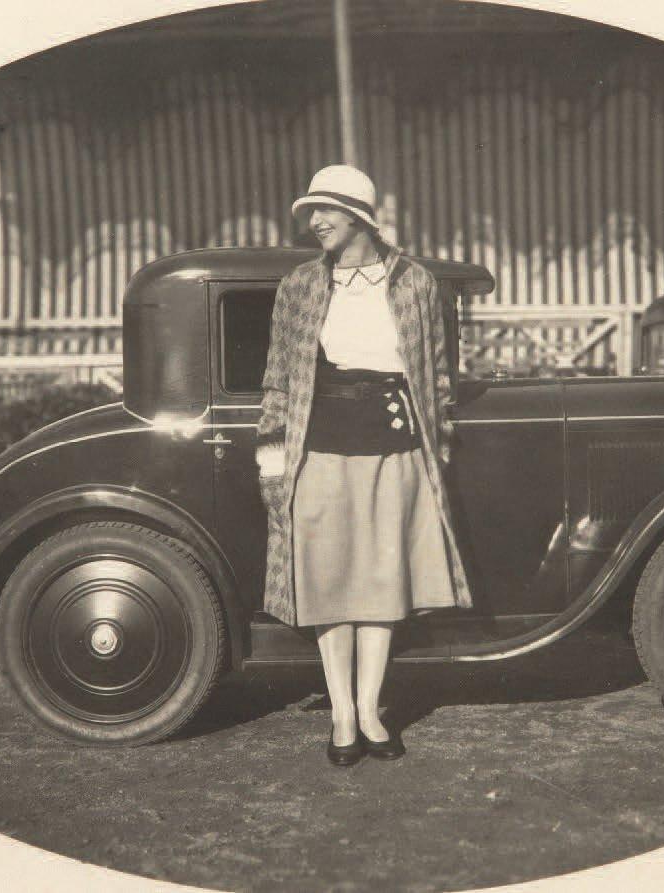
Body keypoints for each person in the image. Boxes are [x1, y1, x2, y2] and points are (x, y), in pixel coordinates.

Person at [255, 164, 473, 767]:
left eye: (325, 210)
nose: (315, 222)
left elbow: (438, 376)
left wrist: (439, 445)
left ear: (358, 217)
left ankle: (372, 710)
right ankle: (342, 715)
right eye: (311, 212)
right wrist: (272, 459)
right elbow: (278, 378)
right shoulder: (300, 285)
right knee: (330, 584)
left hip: (396, 450)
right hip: (320, 450)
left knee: (381, 583)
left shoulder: (415, 283)